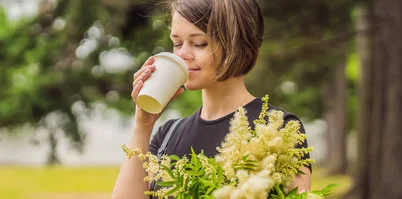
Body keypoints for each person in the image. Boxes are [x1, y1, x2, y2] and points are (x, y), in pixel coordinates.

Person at [111, 0, 311, 198]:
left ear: (236, 43)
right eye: (177, 43)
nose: (182, 55)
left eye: (199, 43)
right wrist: (143, 124)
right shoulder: (167, 136)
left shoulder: (279, 132)